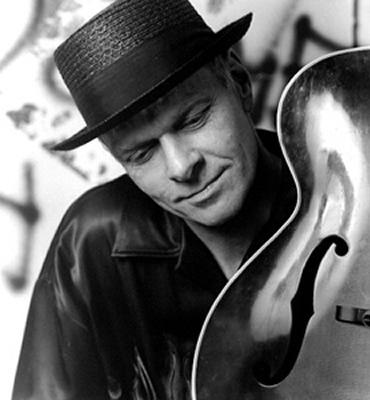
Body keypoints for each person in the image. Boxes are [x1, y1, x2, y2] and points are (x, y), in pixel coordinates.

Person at [12, 0, 296, 399]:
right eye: (142, 153)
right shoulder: (92, 240)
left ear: (239, 83)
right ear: (117, 158)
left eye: (193, 120)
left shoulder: (349, 197)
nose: (182, 166)